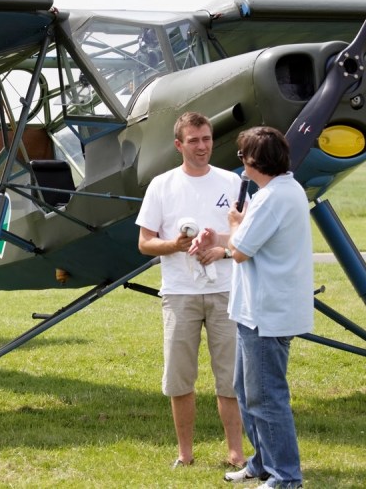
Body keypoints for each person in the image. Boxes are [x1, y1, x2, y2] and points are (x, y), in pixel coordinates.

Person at [193, 126, 313, 489]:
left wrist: (232, 228)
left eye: (243, 155)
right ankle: (262, 463)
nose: (240, 162)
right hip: (254, 311)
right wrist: (221, 236)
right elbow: (251, 238)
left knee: (266, 397)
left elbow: (243, 249)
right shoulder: (278, 192)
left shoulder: (274, 197)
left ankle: (285, 476)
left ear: (254, 161)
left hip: (267, 313)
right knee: (245, 391)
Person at [135, 111, 246, 469]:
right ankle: (185, 453)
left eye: (207, 138)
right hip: (179, 293)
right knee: (180, 376)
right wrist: (176, 246)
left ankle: (236, 452)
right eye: (194, 140)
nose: (203, 146)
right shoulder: (162, 185)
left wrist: (218, 244)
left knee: (229, 376)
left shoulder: (232, 182)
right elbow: (145, 243)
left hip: (226, 290)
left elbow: (245, 237)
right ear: (179, 145)